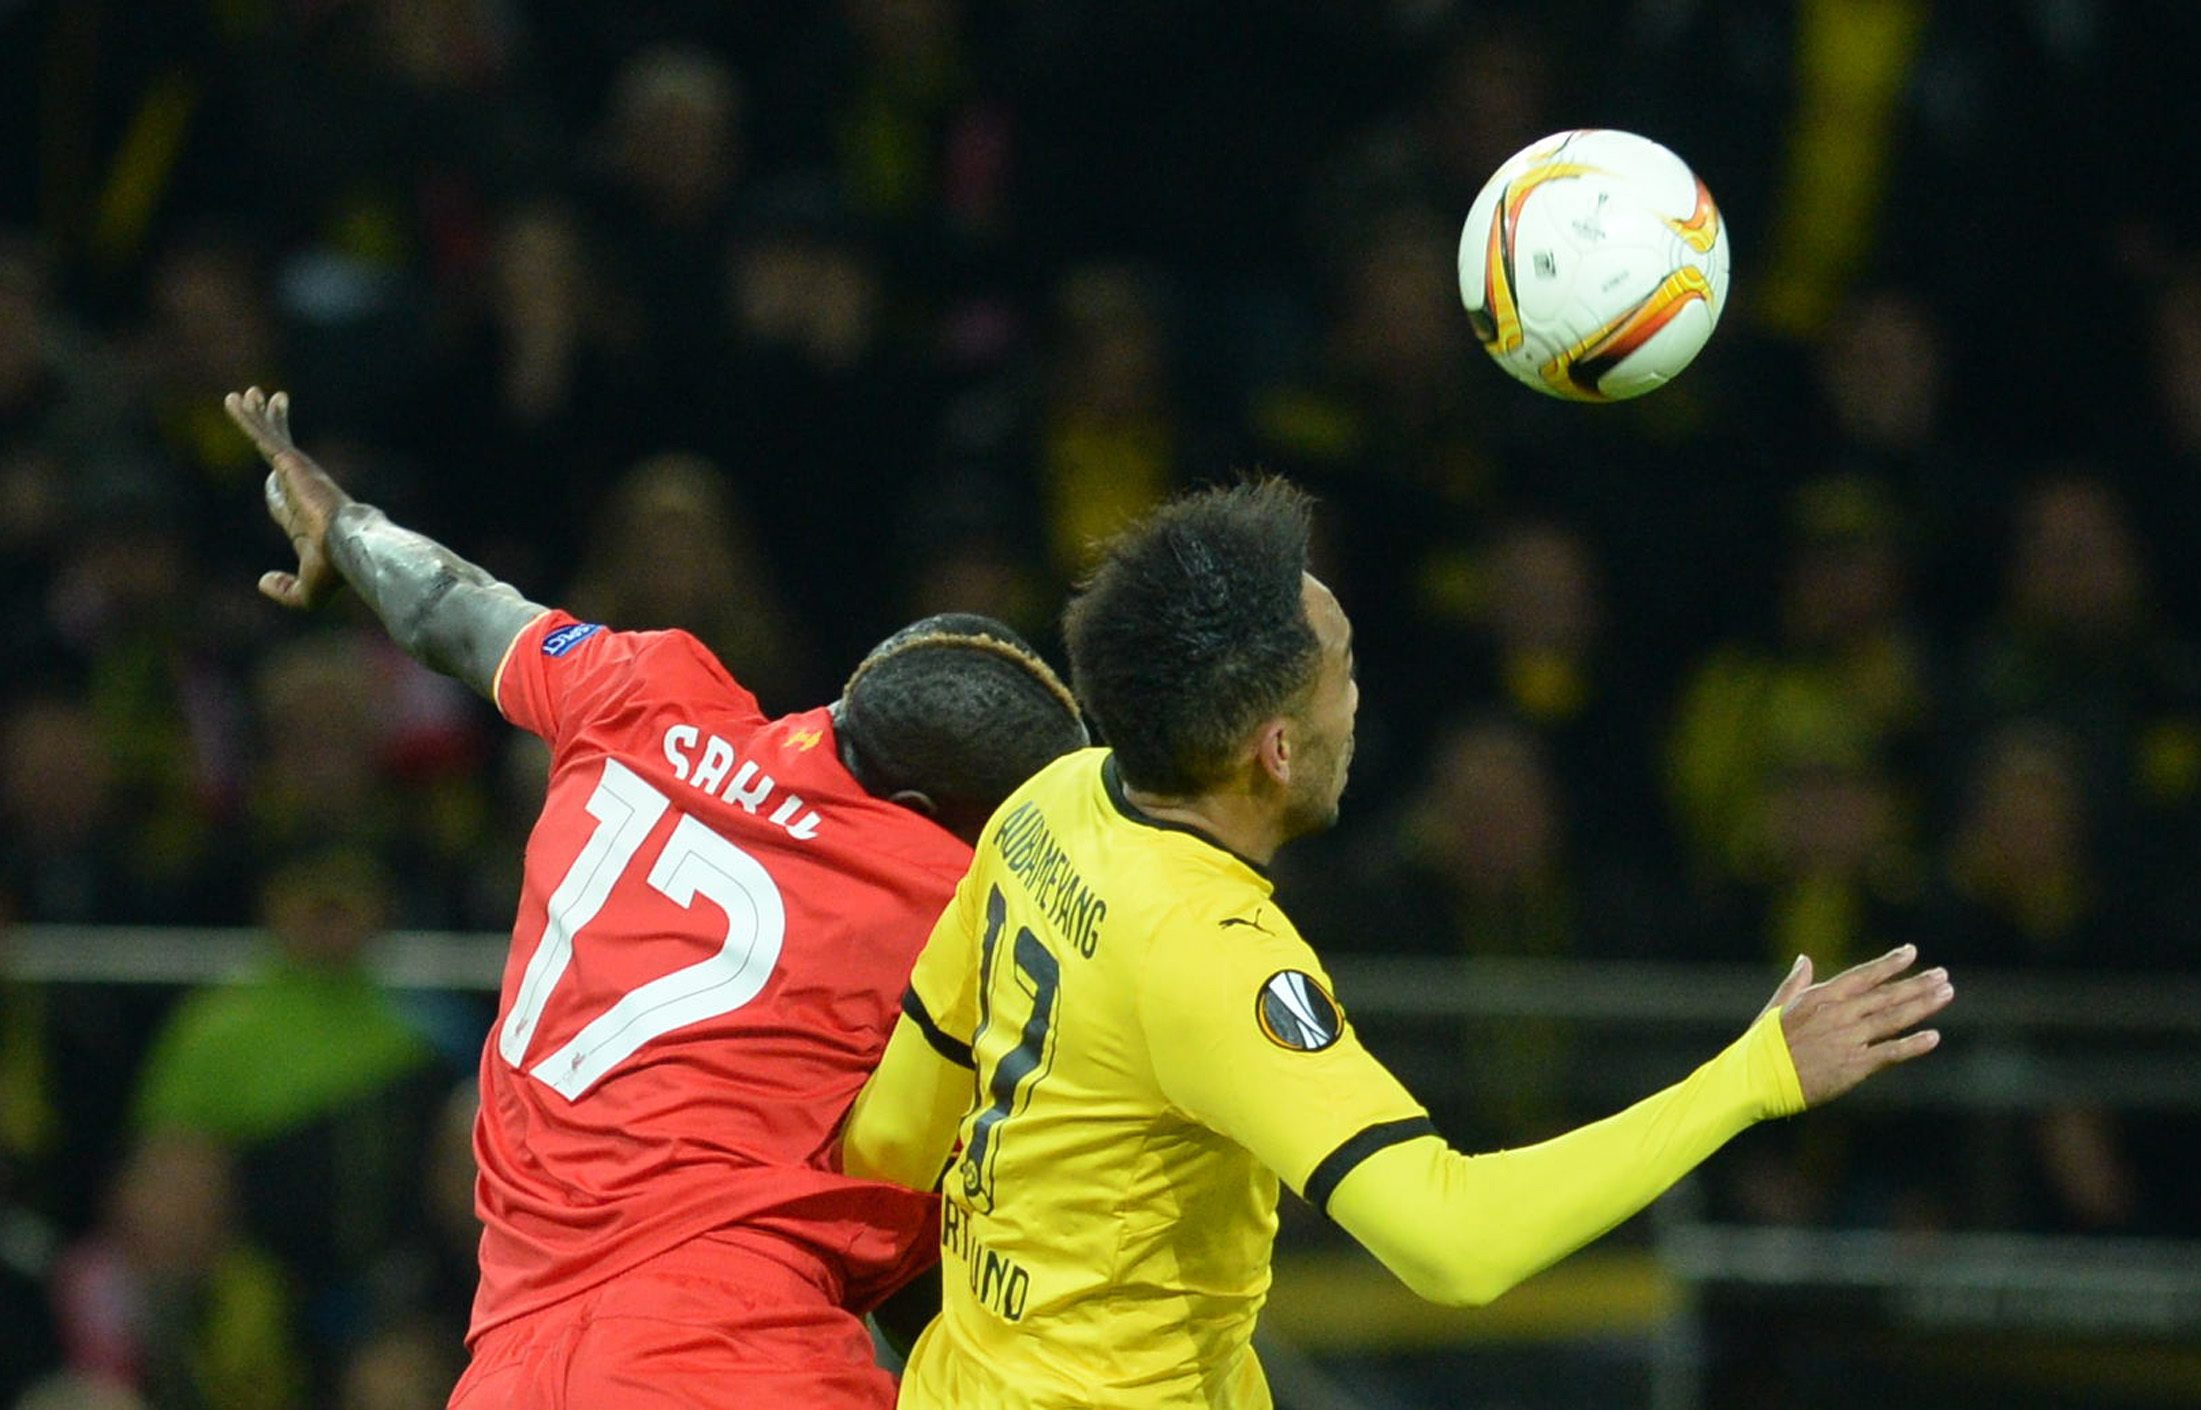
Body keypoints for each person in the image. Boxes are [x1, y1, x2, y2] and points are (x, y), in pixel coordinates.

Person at [842, 479, 1956, 1409]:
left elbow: (890, 1137)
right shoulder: (1214, 953)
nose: (1356, 700)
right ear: (1276, 750)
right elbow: (1453, 1245)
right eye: (1342, 671)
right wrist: (1753, 1075)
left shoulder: (1050, 800)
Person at [221, 387, 1091, 1409]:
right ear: (932, 815)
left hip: (513, 1367)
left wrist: (344, 526)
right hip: (736, 1359)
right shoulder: (950, 895)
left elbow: (455, 608)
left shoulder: (638, 691)